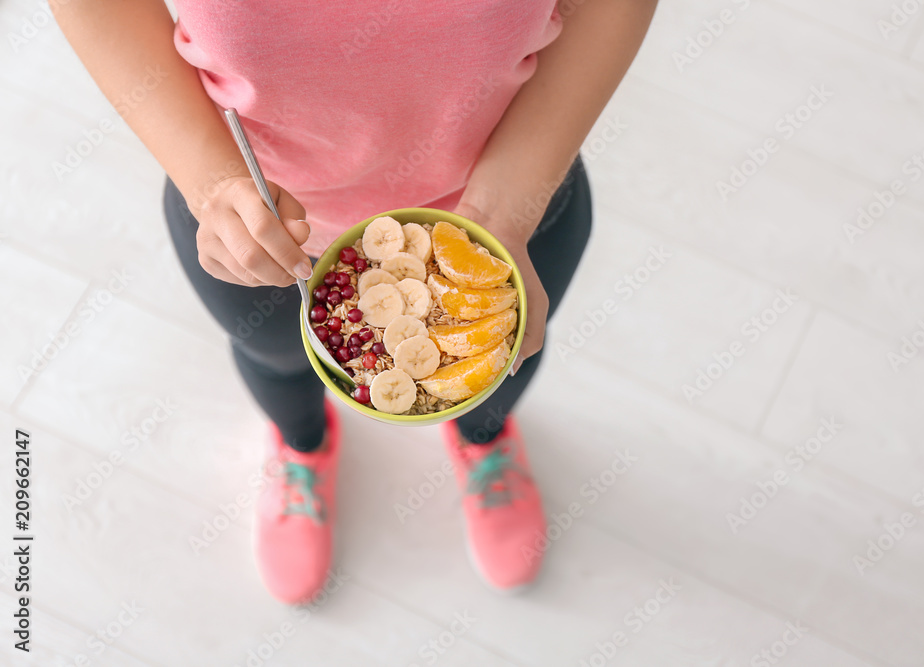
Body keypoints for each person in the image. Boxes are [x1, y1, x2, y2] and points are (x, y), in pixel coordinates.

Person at [52, 0, 657, 603]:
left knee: (495, 377)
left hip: (511, 208)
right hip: (257, 219)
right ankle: (302, 447)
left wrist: (502, 214)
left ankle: (484, 442)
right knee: (277, 360)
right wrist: (207, 177)